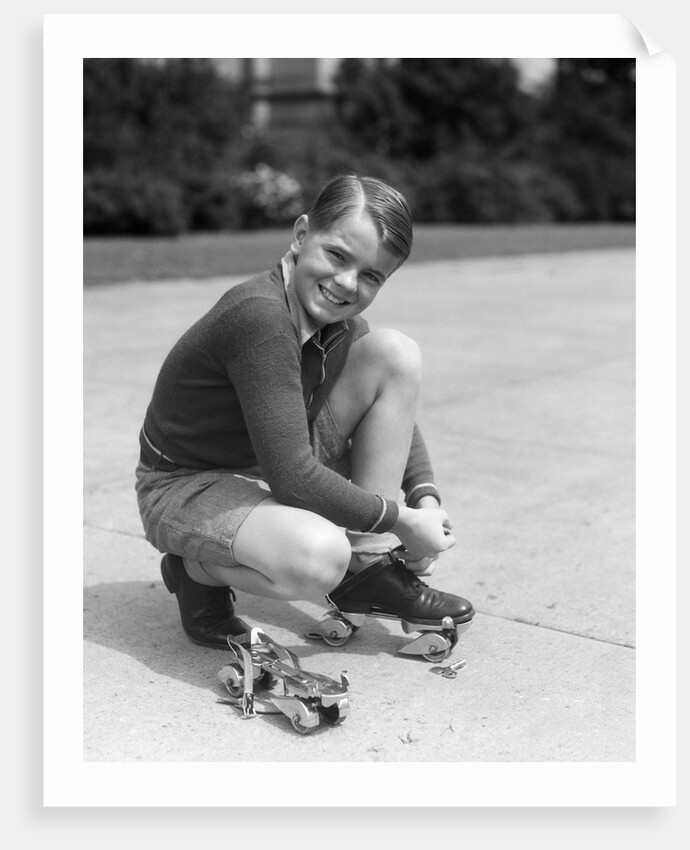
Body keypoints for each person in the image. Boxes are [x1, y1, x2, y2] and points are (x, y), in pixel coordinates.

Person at [135, 174, 474, 649]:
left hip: (263, 460)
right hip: (185, 484)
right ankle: (195, 572)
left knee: (394, 353)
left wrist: (425, 502)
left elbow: (396, 416)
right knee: (318, 558)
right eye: (337, 255)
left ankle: (369, 566)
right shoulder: (260, 317)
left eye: (371, 275)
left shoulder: (341, 325)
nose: (347, 283)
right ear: (300, 236)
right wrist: (400, 521)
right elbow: (293, 476)